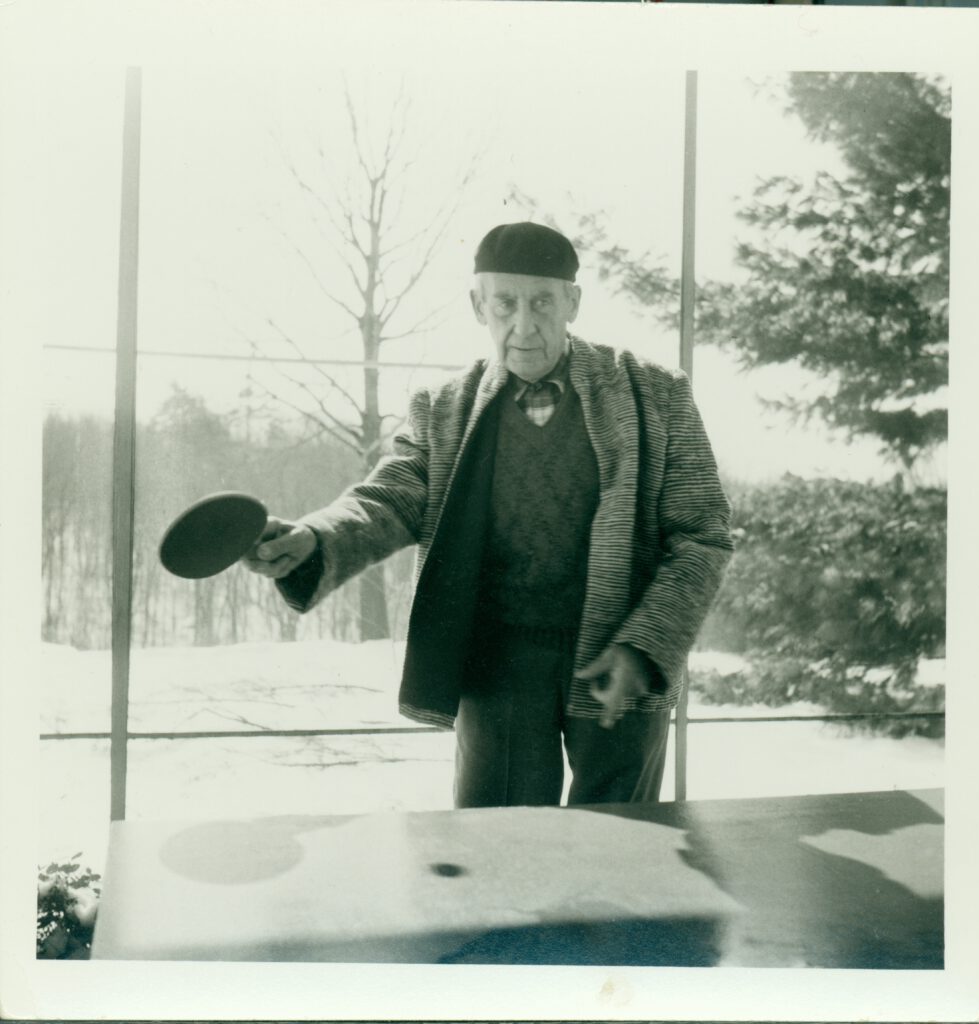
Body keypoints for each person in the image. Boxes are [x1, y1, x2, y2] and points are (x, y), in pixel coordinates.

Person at [244, 222, 733, 808]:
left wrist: (645, 647)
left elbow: (703, 538)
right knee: (495, 851)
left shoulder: (657, 394)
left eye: (543, 302)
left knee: (624, 850)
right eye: (505, 303)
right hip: (497, 665)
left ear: (572, 302)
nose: (523, 325)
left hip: (619, 655)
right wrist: (315, 537)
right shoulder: (443, 408)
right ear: (479, 305)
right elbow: (390, 497)